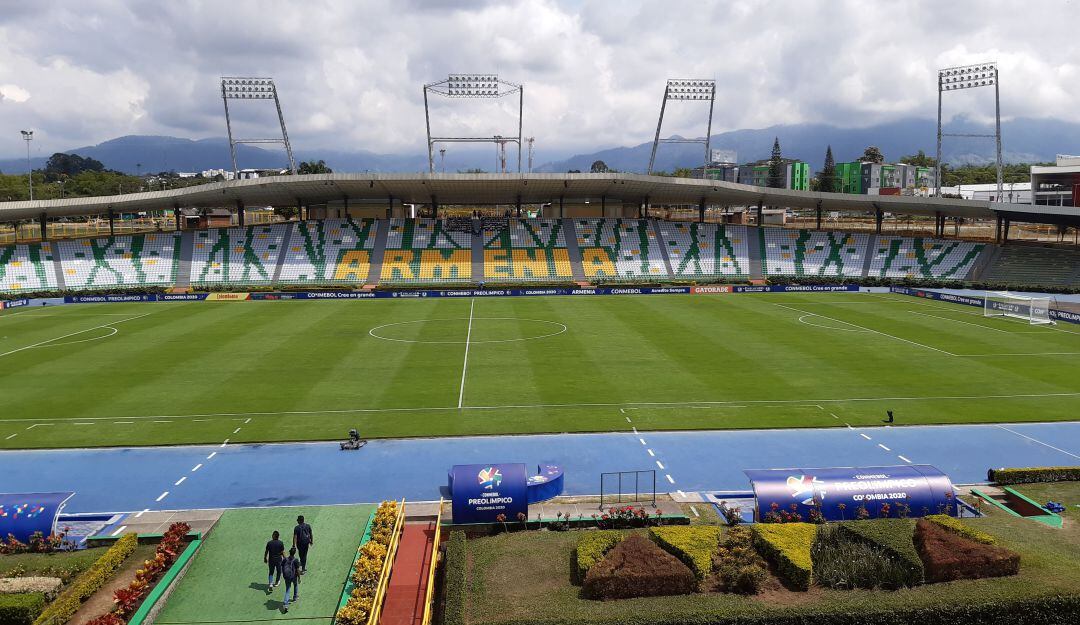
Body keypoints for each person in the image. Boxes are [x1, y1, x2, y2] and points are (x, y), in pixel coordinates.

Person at [280, 547, 300, 612]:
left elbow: (282, 566)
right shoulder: (296, 560)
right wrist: (299, 577)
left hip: (287, 577)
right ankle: (295, 597)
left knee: (287, 590)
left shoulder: (285, 559)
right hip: (294, 576)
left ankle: (286, 604)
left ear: (289, 552)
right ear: (294, 553)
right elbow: (297, 570)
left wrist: (283, 574)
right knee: (295, 585)